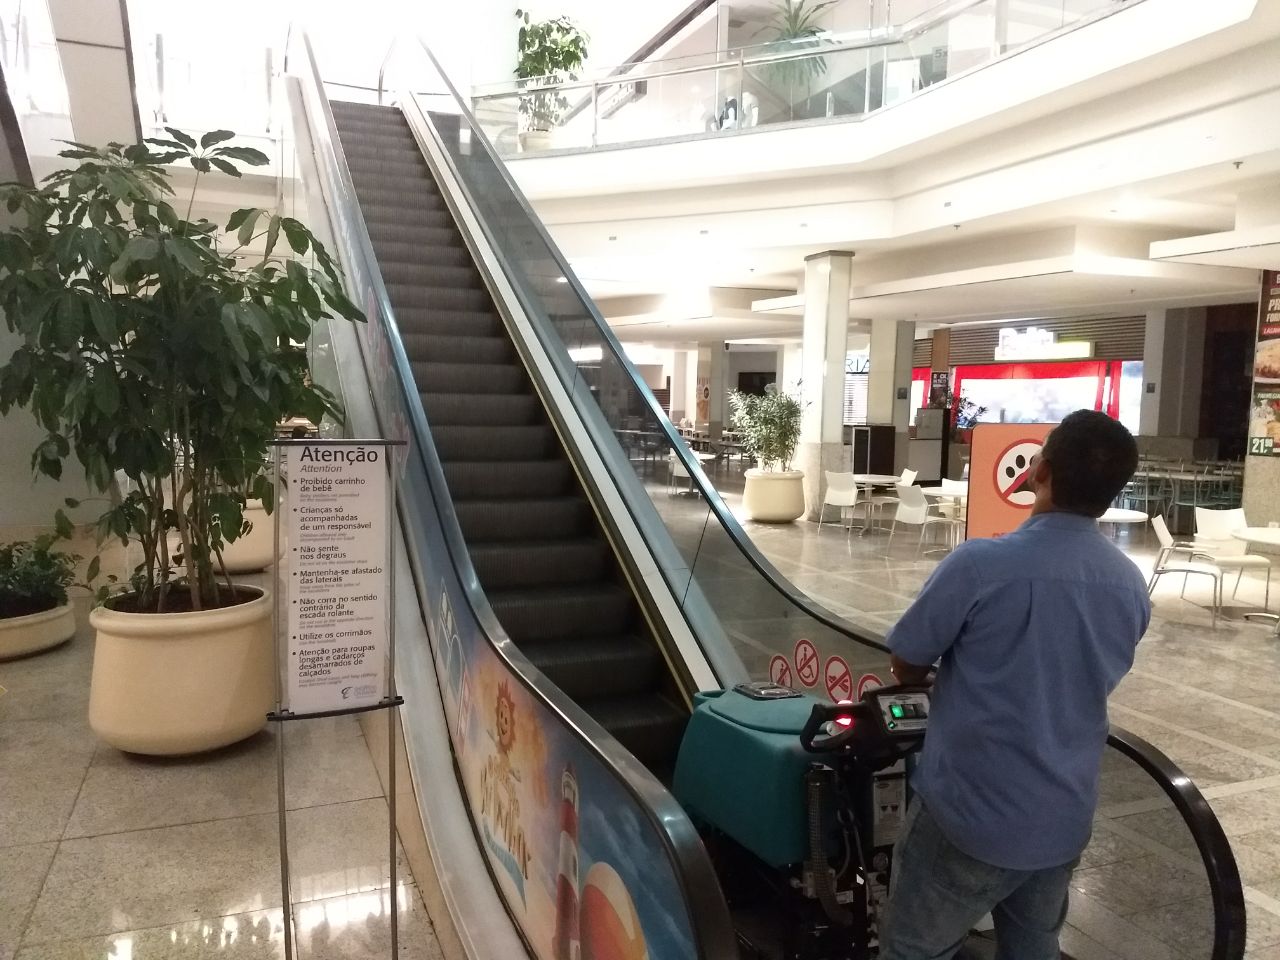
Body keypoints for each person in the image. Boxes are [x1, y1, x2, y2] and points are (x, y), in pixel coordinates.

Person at [880, 410, 1151, 960]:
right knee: (1033, 947)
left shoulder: (981, 564)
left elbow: (907, 660)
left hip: (970, 813)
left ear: (1039, 470)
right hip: (1063, 816)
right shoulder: (1128, 582)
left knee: (913, 947)